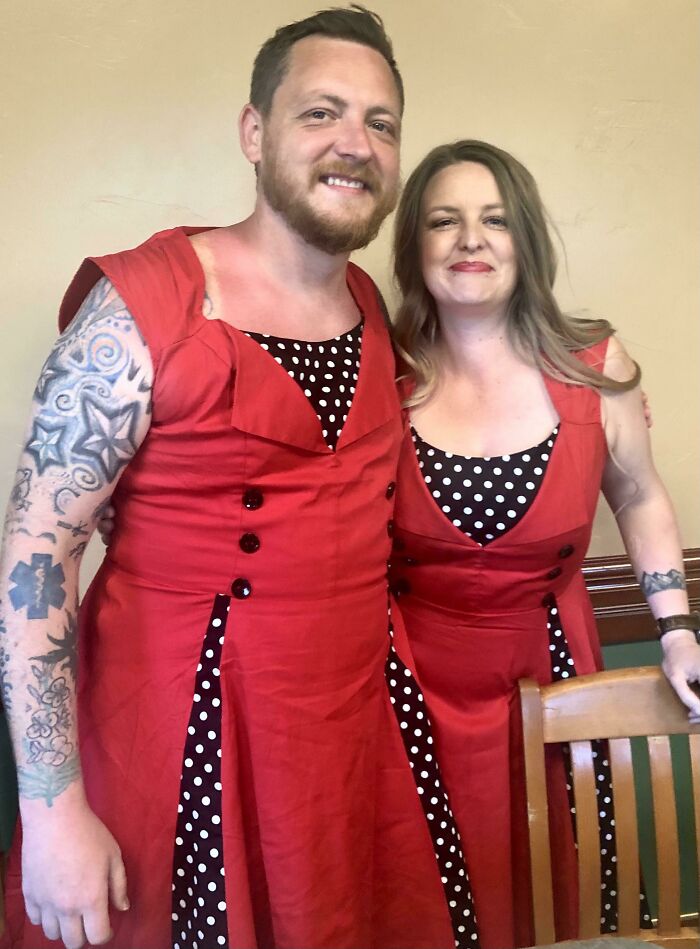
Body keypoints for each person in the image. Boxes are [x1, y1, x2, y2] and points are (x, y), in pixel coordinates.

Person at [0, 9, 465, 949]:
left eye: (380, 122)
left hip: (357, 732)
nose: (355, 143)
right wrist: (51, 812)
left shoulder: (372, 307)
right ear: (254, 134)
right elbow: (35, 561)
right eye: (321, 113)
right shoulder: (142, 304)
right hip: (186, 729)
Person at [386, 139, 700, 949]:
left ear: (526, 237)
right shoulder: (381, 373)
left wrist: (675, 626)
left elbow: (638, 493)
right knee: (415, 891)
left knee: (555, 882)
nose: (469, 240)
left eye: (494, 219)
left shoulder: (595, 362)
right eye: (443, 221)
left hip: (552, 671)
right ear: (412, 245)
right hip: (405, 684)